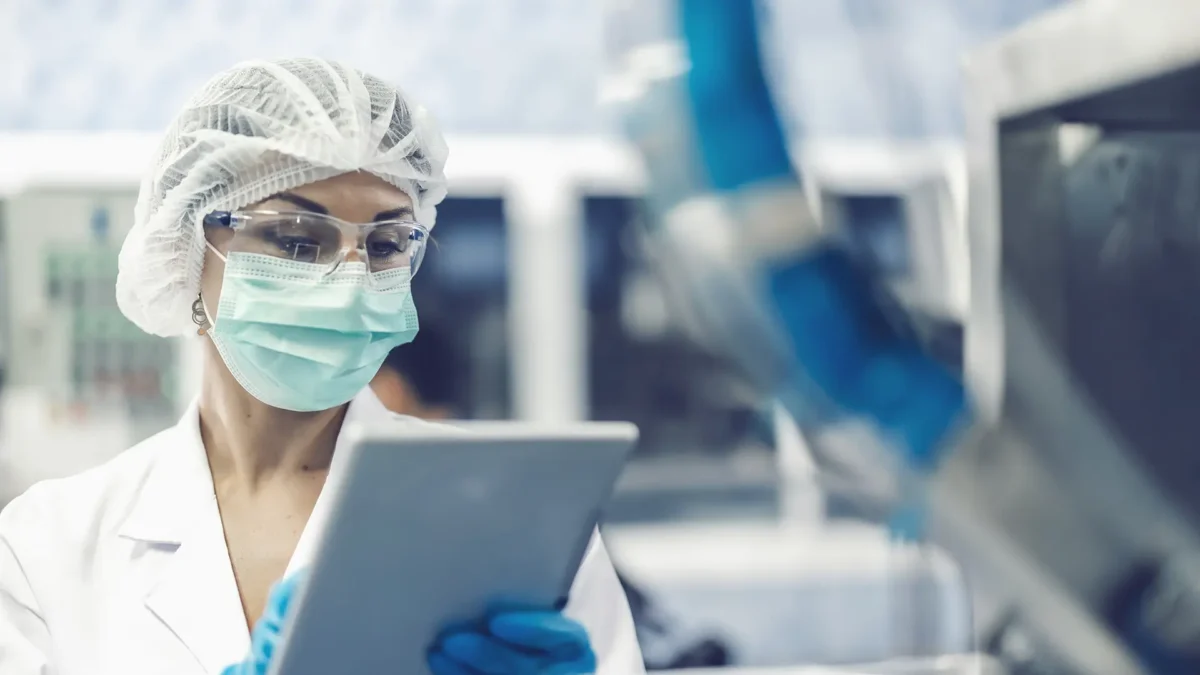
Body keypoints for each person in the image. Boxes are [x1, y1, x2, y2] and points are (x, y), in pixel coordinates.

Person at [0, 58, 643, 675]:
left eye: (387, 242)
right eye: (297, 239)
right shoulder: (47, 545)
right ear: (187, 250)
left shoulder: (517, 522)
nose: (351, 280)